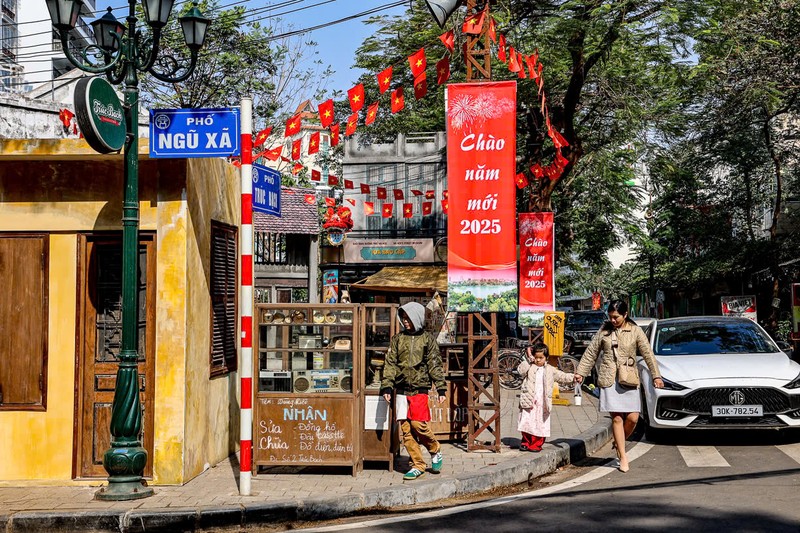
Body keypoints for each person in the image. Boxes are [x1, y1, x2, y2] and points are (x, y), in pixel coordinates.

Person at [575, 299, 664, 472]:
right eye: (610, 317)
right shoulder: (604, 332)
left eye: (616, 317)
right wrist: (581, 373)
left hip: (629, 378)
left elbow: (648, 354)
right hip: (609, 379)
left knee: (633, 418)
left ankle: (619, 439)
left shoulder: (635, 331)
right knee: (616, 418)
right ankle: (623, 456)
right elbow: (591, 353)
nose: (613, 320)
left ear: (625, 315)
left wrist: (656, 376)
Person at [381, 302, 447, 480]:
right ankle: (418, 464)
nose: (405, 320)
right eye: (403, 317)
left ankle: (435, 449)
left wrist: (441, 388)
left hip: (420, 389)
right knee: (406, 430)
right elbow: (390, 364)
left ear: (416, 318)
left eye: (408, 317)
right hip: (401, 390)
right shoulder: (398, 339)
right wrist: (387, 386)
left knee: (419, 425)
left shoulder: (428, 340)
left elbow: (434, 364)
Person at [517, 343, 575, 452]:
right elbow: (520, 371)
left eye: (541, 358)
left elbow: (562, 376)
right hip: (529, 400)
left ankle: (536, 444)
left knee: (540, 423)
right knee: (526, 421)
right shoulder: (530, 366)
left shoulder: (550, 370)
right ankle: (525, 441)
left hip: (542, 403)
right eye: (536, 357)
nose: (538, 360)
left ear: (546, 358)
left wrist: (573, 378)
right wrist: (529, 359)